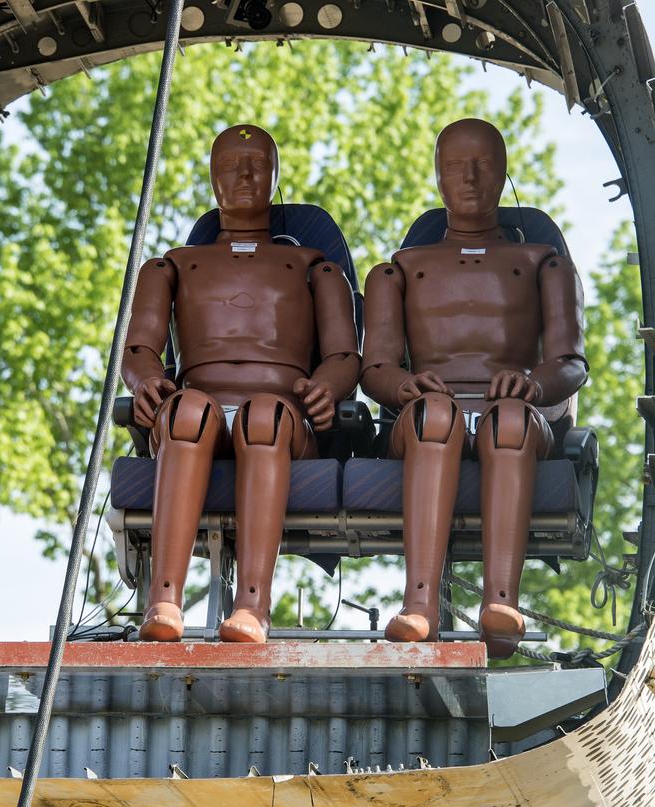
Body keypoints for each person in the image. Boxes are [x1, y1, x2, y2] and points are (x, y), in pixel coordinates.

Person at [121, 125, 360, 643]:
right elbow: (139, 347)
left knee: (264, 415)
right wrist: (144, 382)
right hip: (198, 404)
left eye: (257, 165)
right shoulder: (172, 266)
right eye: (231, 165)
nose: (245, 175)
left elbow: (345, 355)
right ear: (212, 177)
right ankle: (164, 599)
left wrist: (327, 385)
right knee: (186, 411)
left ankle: (254, 605)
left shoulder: (314, 267)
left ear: (276, 178)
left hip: (282, 415)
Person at [360, 118, 587, 658]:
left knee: (508, 417)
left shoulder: (543, 264)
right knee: (432, 414)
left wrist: (533, 383)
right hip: (425, 416)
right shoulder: (399, 270)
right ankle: (418, 604)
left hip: (515, 413)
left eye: (483, 165)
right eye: (456, 167)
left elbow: (571, 363)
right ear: (438, 178)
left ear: (504, 174)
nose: (470, 178)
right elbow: (374, 370)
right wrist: (405, 385)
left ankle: (501, 600)